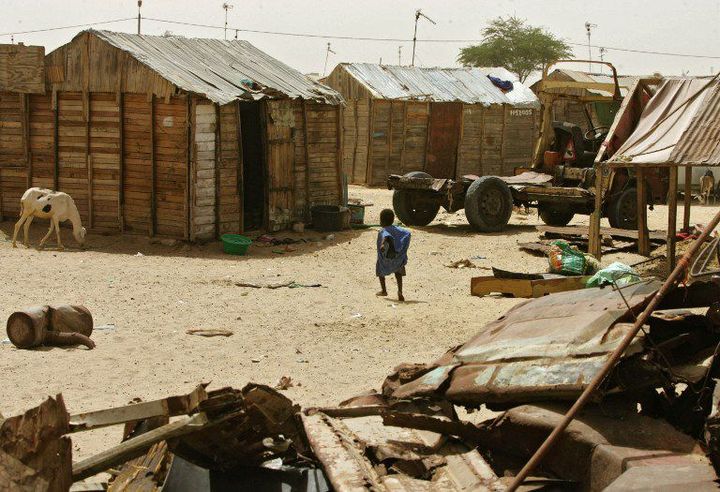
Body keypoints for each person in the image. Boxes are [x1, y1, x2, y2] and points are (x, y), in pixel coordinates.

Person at [376, 208, 411, 302]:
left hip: (385, 259)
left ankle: (384, 290)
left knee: (380, 271)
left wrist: (383, 244)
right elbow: (407, 233)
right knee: (398, 274)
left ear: (381, 220)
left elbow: (386, 236)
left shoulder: (383, 230)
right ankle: (400, 291)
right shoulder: (397, 229)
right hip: (397, 258)